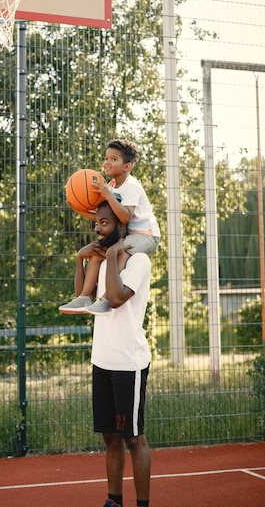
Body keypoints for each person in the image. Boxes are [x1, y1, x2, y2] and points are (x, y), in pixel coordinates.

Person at [75, 200, 152, 507]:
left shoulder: (138, 261)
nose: (97, 227)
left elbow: (116, 298)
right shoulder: (103, 259)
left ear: (122, 226)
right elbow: (83, 298)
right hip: (102, 359)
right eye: (96, 223)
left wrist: (110, 254)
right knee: (110, 436)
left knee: (134, 438)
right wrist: (80, 259)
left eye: (104, 223)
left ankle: (143, 505)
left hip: (128, 362)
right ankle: (114, 501)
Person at [60, 139, 160, 315]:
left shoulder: (131, 186)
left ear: (127, 166)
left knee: (120, 251)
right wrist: (77, 208)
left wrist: (107, 194)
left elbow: (125, 217)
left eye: (114, 159)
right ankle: (83, 297)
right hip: (128, 234)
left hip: (146, 235)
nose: (107, 162)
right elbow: (102, 218)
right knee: (97, 253)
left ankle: (105, 299)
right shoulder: (112, 186)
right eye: (106, 158)